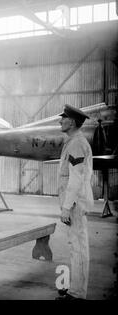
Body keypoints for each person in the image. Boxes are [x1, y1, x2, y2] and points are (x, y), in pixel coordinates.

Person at [56, 104, 93, 300]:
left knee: (77, 246)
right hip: (75, 202)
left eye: (63, 118)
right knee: (76, 245)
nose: (60, 121)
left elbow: (76, 179)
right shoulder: (73, 141)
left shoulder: (77, 143)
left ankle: (77, 293)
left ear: (71, 122)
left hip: (75, 204)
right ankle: (76, 289)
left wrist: (66, 207)